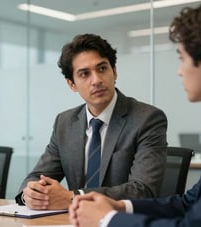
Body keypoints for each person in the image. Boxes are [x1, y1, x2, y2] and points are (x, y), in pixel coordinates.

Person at [69, 1, 201, 226]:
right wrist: (120, 206)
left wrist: (107, 220)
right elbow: (191, 202)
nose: (179, 71)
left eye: (181, 58)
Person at [15, 33, 168, 210]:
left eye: (102, 69)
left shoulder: (147, 119)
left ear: (114, 71)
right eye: (84, 74)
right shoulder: (64, 123)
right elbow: (37, 177)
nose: (96, 80)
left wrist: (73, 198)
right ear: (72, 84)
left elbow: (143, 190)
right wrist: (31, 195)